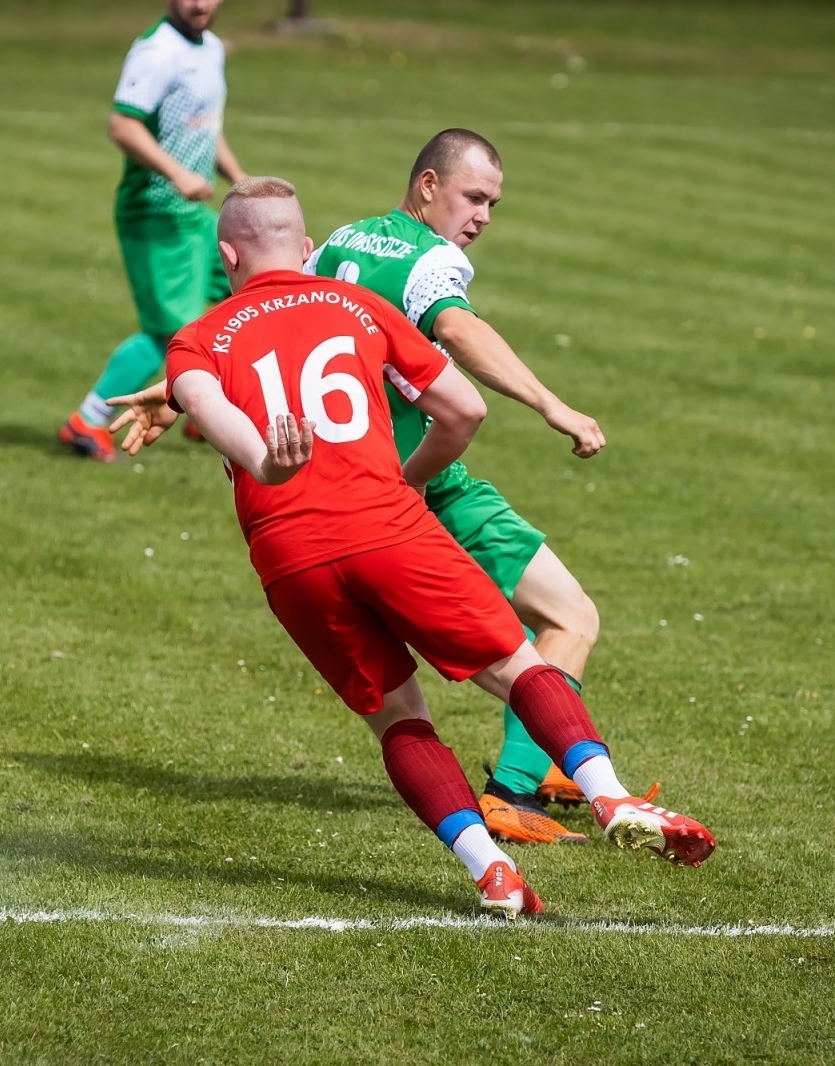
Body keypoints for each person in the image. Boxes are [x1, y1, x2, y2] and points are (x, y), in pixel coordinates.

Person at [142, 177, 716, 917]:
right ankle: (610, 799)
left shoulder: (197, 342)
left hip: (291, 559)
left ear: (227, 257)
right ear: (307, 248)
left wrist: (264, 459)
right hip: (386, 521)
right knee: (517, 663)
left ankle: (493, 874)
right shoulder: (359, 305)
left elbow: (225, 422)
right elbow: (465, 407)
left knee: (400, 719)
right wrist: (407, 481)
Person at [57, 0, 247, 462]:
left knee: (242, 298)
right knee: (166, 334)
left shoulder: (213, 49)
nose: (199, 3)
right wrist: (178, 173)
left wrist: (240, 182)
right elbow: (123, 125)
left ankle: (212, 412)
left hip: (194, 217)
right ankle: (86, 419)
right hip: (155, 215)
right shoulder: (156, 51)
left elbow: (204, 127)